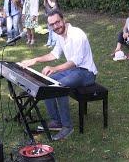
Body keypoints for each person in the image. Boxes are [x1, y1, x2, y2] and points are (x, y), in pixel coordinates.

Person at [19, 10, 97, 140]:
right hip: (74, 71)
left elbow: (75, 62)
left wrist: (54, 68)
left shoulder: (77, 34)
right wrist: (35, 60)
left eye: (57, 22)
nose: (56, 26)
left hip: (86, 72)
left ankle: (67, 126)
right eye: (52, 25)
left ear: (63, 20)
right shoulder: (60, 35)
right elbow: (54, 54)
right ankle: (56, 121)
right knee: (46, 83)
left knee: (59, 87)